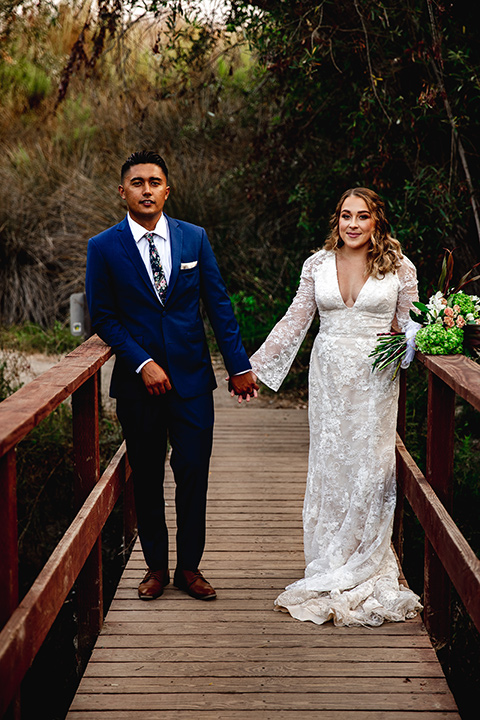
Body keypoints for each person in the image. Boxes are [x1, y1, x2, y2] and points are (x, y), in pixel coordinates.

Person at [85, 150, 258, 602]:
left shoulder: (194, 239)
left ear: (167, 189)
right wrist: (142, 362)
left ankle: (189, 568)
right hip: (138, 384)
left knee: (193, 473)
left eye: (154, 182)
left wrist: (238, 366)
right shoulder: (103, 247)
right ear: (122, 191)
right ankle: (155, 569)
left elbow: (218, 306)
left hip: (193, 381)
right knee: (145, 474)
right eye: (137, 182)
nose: (146, 189)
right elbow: (103, 316)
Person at [249, 187, 423, 626]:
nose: (352, 224)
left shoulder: (400, 267)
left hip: (375, 379)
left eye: (362, 216)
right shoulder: (317, 264)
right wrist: (253, 368)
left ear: (376, 222)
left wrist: (407, 340)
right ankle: (330, 556)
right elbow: (295, 319)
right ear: (337, 220)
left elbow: (412, 326)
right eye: (345, 215)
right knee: (331, 463)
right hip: (328, 379)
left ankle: (365, 556)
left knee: (370, 463)